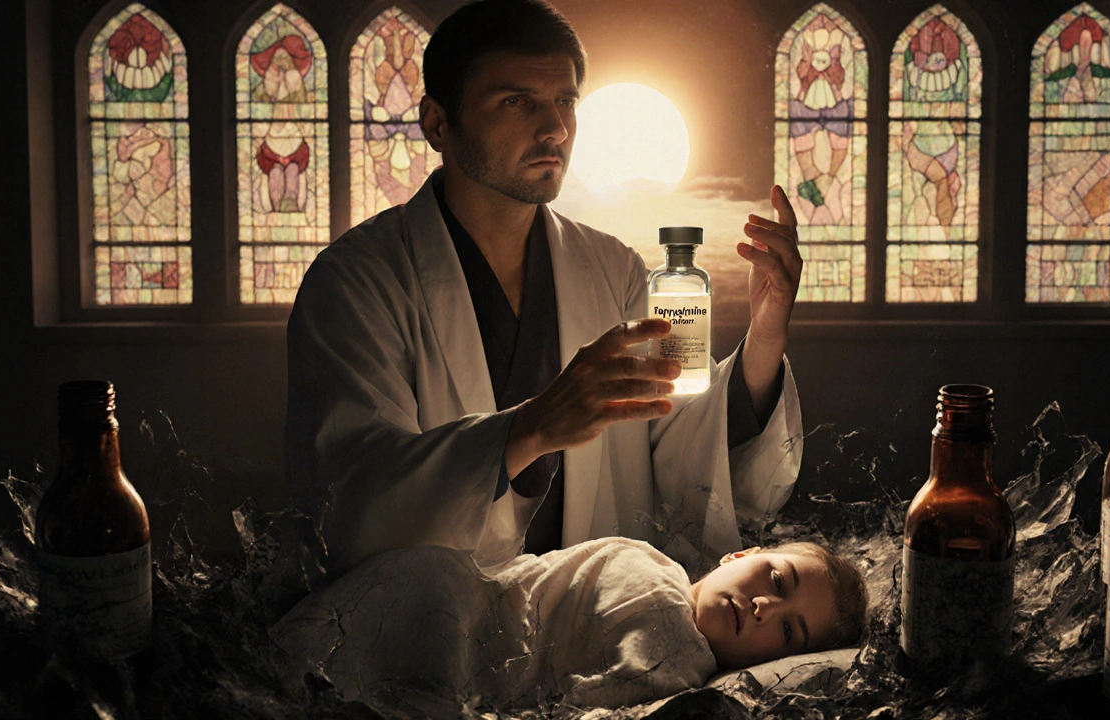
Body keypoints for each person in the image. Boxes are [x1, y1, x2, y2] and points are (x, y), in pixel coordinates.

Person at [283, 0, 805, 581]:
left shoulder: (613, 270)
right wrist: (529, 429)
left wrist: (765, 336)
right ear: (436, 122)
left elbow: (685, 448)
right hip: (432, 645)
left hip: (596, 631)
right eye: (516, 101)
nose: (553, 128)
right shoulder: (357, 283)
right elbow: (351, 501)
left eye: (564, 102)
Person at [271, 536, 867, 710]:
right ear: (738, 556)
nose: (765, 606)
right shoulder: (671, 635)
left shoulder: (652, 559)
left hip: (422, 579)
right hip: (439, 612)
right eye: (777, 581)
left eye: (788, 631)